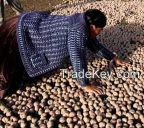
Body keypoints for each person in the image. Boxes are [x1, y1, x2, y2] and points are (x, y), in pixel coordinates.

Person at [0, 9, 129, 99]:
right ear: (93, 26)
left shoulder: (82, 20)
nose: (99, 33)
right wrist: (85, 84)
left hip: (26, 20)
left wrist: (113, 57)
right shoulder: (78, 30)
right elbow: (77, 57)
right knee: (11, 66)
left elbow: (94, 44)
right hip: (23, 31)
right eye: (99, 30)